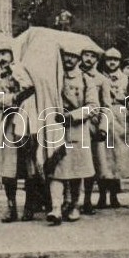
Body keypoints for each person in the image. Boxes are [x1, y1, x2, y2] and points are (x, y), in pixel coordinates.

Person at [46, 44, 101, 226]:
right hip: (57, 128)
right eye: (66, 56)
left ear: (79, 59)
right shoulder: (55, 78)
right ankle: (56, 207)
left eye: (73, 56)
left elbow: (93, 106)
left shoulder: (86, 80)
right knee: (56, 169)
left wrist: (72, 115)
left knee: (77, 170)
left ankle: (74, 205)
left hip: (78, 128)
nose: (69, 60)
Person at [0, 43, 39, 223]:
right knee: (8, 167)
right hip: (8, 123)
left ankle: (29, 205)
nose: (3, 57)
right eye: (0, 54)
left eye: (6, 53)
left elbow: (31, 88)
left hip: (26, 121)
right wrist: (12, 99)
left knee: (29, 164)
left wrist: (22, 95)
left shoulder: (21, 70)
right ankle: (10, 206)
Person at [99, 47, 129, 206]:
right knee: (103, 158)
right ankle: (102, 196)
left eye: (115, 60)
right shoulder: (98, 77)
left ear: (119, 62)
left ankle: (114, 195)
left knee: (117, 157)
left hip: (120, 118)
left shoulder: (126, 79)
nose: (112, 62)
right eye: (109, 59)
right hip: (103, 118)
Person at [78, 44, 111, 214]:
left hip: (92, 125)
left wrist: (103, 128)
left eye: (92, 56)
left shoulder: (102, 80)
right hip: (75, 124)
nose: (88, 59)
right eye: (86, 55)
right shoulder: (72, 76)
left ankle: (88, 200)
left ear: (97, 60)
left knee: (93, 165)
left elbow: (106, 107)